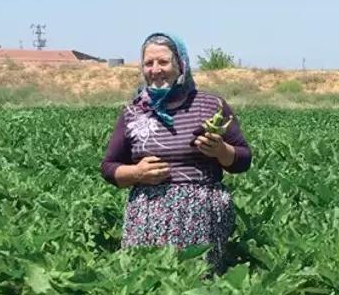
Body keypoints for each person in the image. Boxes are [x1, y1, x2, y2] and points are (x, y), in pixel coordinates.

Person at [100, 32, 251, 273]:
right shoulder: (133, 112)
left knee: (198, 286)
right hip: (147, 218)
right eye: (148, 63)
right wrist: (137, 173)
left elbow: (243, 160)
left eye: (163, 62)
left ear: (181, 64)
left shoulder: (211, 105)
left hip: (201, 217)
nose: (155, 69)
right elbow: (109, 167)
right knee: (146, 284)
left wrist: (221, 151)